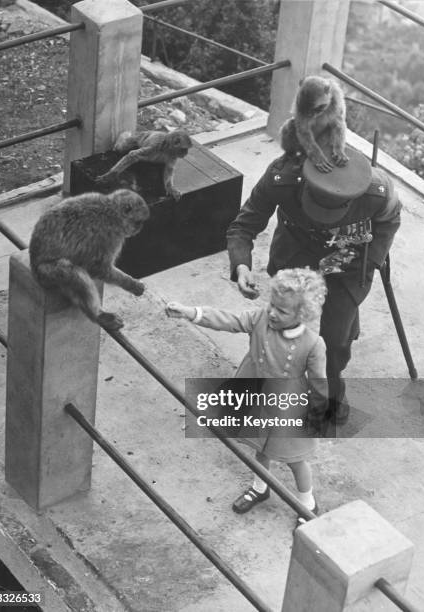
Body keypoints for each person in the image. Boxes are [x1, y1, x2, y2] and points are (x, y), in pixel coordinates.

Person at [227, 145, 401, 425]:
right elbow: (244, 225)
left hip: (349, 262)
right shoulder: (281, 178)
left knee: (334, 339)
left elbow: (389, 222)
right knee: (279, 329)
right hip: (296, 254)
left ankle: (331, 396)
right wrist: (242, 266)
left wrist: (371, 262)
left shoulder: (377, 192)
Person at [166, 268, 328, 519]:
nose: (273, 312)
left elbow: (319, 382)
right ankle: (259, 488)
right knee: (260, 447)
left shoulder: (313, 344)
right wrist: (191, 313)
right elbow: (229, 320)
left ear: (302, 314)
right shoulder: (261, 318)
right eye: (272, 305)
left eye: (282, 311)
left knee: (295, 458)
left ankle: (307, 503)